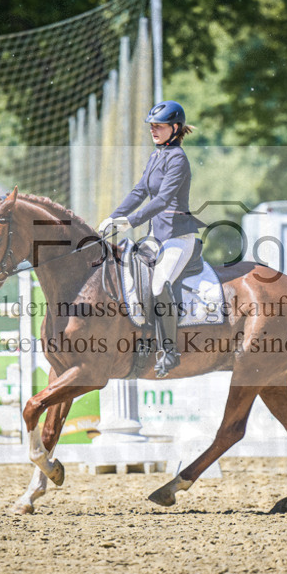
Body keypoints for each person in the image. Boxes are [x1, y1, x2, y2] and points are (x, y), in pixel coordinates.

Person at [97, 100, 205, 377]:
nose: (153, 130)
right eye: (152, 126)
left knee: (159, 285)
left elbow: (163, 200)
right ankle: (144, 337)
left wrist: (130, 221)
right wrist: (114, 216)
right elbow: (139, 191)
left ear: (175, 128)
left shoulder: (178, 159)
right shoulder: (156, 156)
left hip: (178, 237)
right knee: (131, 277)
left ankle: (170, 351)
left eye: (159, 126)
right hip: (156, 237)